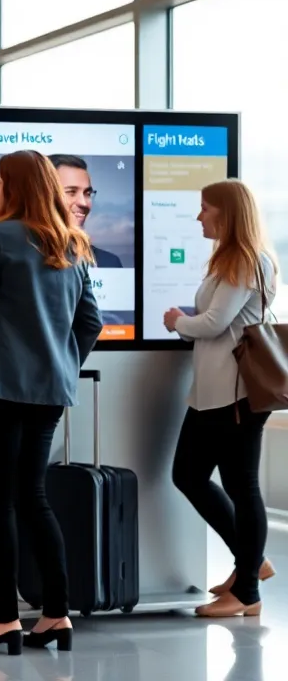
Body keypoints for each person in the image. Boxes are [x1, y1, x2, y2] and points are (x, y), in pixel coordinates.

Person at [0, 150, 103, 655]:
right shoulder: (73, 242)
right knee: (33, 498)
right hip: (49, 392)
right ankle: (56, 616)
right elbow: (90, 323)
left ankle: (4, 620)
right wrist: (61, 361)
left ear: (12, 187)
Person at [165, 179, 278, 618]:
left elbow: (213, 323)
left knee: (233, 485)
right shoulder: (233, 259)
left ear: (227, 214)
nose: (199, 216)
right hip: (216, 393)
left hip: (234, 397)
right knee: (195, 476)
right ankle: (250, 565)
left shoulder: (246, 262)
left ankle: (247, 589)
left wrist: (178, 320)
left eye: (205, 208)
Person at [48, 154, 124, 268]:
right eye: (71, 192)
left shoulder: (108, 263)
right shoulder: (19, 261)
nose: (83, 203)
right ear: (45, 196)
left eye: (87, 194)